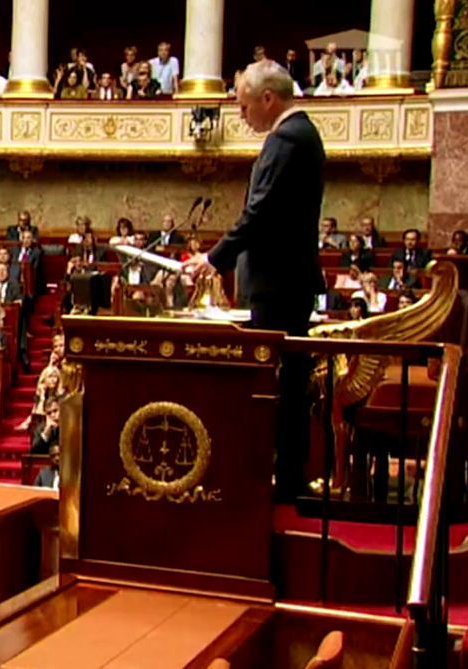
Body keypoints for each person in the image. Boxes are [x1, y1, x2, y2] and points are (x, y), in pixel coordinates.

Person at [183, 60, 325, 502]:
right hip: (281, 281)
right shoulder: (298, 135)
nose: (241, 115)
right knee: (283, 383)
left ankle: (283, 482)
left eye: (245, 106)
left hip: (279, 283)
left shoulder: (287, 138)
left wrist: (214, 259)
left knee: (280, 386)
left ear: (268, 99)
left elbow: (260, 213)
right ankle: (284, 477)